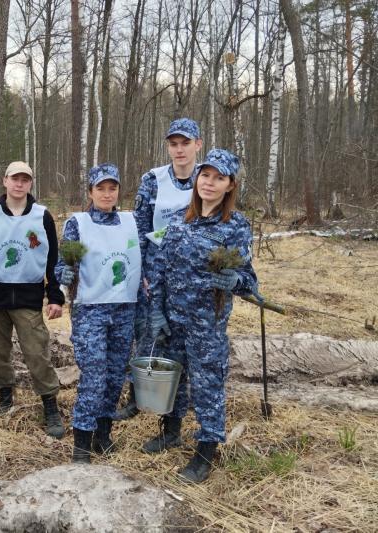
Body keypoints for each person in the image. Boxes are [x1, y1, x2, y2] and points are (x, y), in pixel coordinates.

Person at [146, 148, 259, 483]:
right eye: (205, 175)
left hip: (207, 324)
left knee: (207, 386)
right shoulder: (180, 219)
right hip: (173, 320)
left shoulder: (235, 226)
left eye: (218, 178)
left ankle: (206, 451)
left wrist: (234, 280)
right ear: (197, 178)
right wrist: (156, 313)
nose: (209, 183)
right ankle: (170, 432)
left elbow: (249, 281)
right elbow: (161, 270)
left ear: (229, 186)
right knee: (174, 381)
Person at [0, 161, 65, 438]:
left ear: (30, 184)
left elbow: (52, 259)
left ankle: (49, 405)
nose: (19, 184)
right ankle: (5, 400)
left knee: (37, 353)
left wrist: (55, 295)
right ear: (5, 181)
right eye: (15, 178)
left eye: (25, 179)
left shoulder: (42, 216)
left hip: (28, 296)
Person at [117, 118, 204, 421]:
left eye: (186, 143)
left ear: (198, 144)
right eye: (174, 144)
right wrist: (140, 271)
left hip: (192, 274)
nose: (179, 150)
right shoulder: (153, 180)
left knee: (187, 336)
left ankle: (184, 396)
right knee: (146, 333)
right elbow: (140, 227)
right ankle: (136, 395)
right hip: (155, 270)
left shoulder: (207, 179)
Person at [55, 163, 141, 463]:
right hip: (90, 309)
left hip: (125, 309)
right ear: (90, 192)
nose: (107, 194)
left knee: (116, 374)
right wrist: (63, 274)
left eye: (112, 188)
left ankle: (103, 435)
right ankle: (82, 440)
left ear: (119, 191)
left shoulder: (133, 222)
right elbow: (61, 263)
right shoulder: (77, 223)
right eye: (100, 188)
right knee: (94, 374)